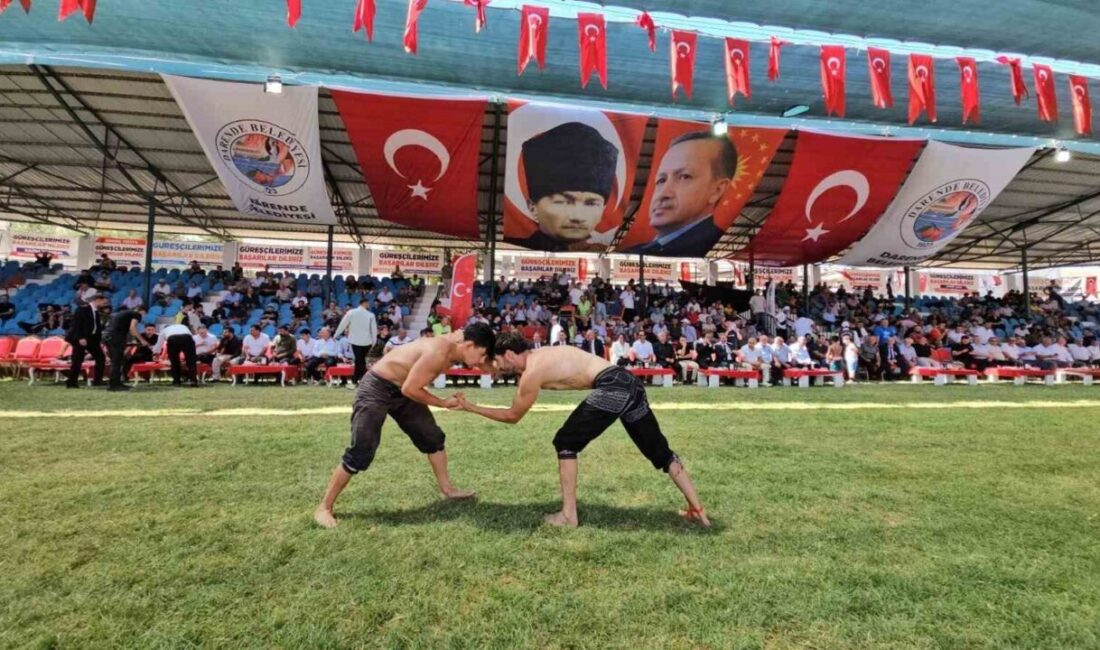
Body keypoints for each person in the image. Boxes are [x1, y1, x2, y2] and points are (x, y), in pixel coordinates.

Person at [455, 332, 709, 528]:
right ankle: (697, 509)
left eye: (498, 362)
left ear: (509, 354)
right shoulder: (541, 356)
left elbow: (512, 416)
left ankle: (568, 515)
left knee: (565, 441)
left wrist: (471, 407)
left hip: (613, 387)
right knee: (659, 452)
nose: (498, 368)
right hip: (629, 383)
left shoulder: (533, 370)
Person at [313, 323, 497, 529]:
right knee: (362, 450)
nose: (482, 361)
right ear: (470, 345)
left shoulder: (459, 341)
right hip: (377, 387)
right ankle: (324, 507)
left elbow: (470, 342)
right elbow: (411, 389)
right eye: (482, 354)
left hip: (402, 388)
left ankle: (447, 489)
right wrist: (443, 403)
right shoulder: (439, 351)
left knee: (433, 438)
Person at [506, 122, 619, 251]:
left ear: (603, 209)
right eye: (563, 202)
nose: (577, 217)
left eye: (591, 203)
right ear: (532, 207)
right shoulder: (516, 248)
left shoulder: (601, 249)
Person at [627, 131, 736, 256]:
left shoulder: (717, 250)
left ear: (717, 190)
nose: (663, 193)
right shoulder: (635, 253)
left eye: (684, 177)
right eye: (661, 180)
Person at [65, 293, 108, 388]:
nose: (104, 304)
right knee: (77, 360)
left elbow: (95, 327)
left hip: (92, 339)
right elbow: (77, 325)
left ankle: (98, 380)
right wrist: (80, 337)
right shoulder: (82, 309)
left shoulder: (96, 312)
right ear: (97, 300)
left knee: (100, 357)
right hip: (80, 338)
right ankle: (71, 382)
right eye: (103, 302)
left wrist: (98, 340)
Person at [333, 296, 378, 384]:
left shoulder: (351, 312)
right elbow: (374, 329)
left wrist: (336, 334)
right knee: (360, 360)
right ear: (364, 303)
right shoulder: (370, 315)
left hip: (355, 341)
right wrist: (374, 341)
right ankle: (360, 379)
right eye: (367, 303)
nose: (368, 305)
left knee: (359, 360)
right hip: (366, 341)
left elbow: (343, 324)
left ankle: (358, 379)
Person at [104, 305, 148, 391]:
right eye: (144, 314)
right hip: (116, 337)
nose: (143, 316)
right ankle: (114, 385)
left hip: (107, 336)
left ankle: (116, 383)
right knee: (117, 361)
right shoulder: (136, 314)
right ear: (141, 311)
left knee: (116, 361)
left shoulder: (121, 314)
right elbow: (133, 328)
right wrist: (142, 340)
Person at [154, 322, 199, 386]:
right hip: (187, 338)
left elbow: (159, 344)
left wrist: (156, 353)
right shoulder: (182, 326)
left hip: (172, 339)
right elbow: (192, 338)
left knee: (174, 361)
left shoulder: (163, 330)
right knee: (191, 361)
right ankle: (193, 381)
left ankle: (177, 381)